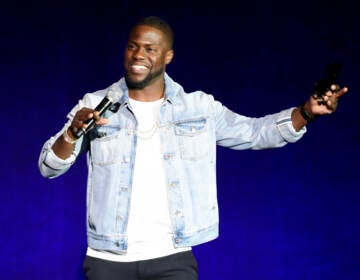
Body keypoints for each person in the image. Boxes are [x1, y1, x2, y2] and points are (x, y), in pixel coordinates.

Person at [39, 16, 348, 280]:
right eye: (133, 46)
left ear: (167, 57)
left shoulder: (197, 107)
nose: (138, 55)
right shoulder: (95, 104)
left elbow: (254, 132)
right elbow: (48, 166)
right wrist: (72, 132)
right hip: (108, 259)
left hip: (172, 257)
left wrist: (305, 113)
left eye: (150, 48)